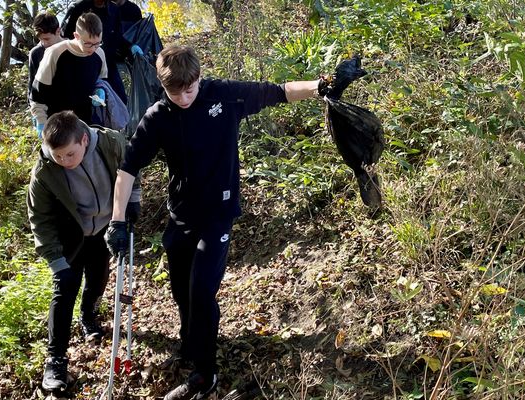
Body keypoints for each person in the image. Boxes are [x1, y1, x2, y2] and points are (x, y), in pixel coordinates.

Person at [105, 45, 362, 400]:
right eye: (173, 91)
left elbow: (279, 92)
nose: (182, 97)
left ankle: (204, 375)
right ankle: (192, 342)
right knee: (180, 289)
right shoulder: (158, 116)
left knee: (201, 290)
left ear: (198, 77)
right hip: (180, 214)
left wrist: (323, 85)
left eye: (189, 89)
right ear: (163, 86)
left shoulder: (223, 95)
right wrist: (117, 221)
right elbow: (127, 169)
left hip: (219, 213)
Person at [27, 110, 141, 393]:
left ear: (83, 140)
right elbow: (39, 219)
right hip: (71, 234)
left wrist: (133, 202)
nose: (64, 162)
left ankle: (88, 315)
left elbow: (131, 169)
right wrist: (55, 260)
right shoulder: (44, 171)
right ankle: (55, 359)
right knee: (64, 289)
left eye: (69, 154)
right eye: (58, 156)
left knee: (99, 277)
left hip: (105, 227)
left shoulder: (111, 142)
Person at [29, 12, 108, 138]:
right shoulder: (54, 53)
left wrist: (100, 90)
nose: (93, 48)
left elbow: (101, 80)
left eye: (97, 43)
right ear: (76, 36)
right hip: (56, 125)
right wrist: (41, 122)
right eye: (88, 43)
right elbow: (37, 95)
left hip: (85, 125)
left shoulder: (100, 54)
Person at [61, 0, 143, 104]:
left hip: (108, 65)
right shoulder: (78, 8)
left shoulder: (113, 9)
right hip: (82, 65)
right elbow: (65, 38)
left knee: (120, 101)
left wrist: (131, 47)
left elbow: (117, 37)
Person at [28, 11, 64, 102]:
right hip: (48, 108)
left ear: (58, 31)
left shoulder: (72, 48)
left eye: (47, 39)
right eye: (40, 39)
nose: (44, 43)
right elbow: (32, 87)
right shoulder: (36, 53)